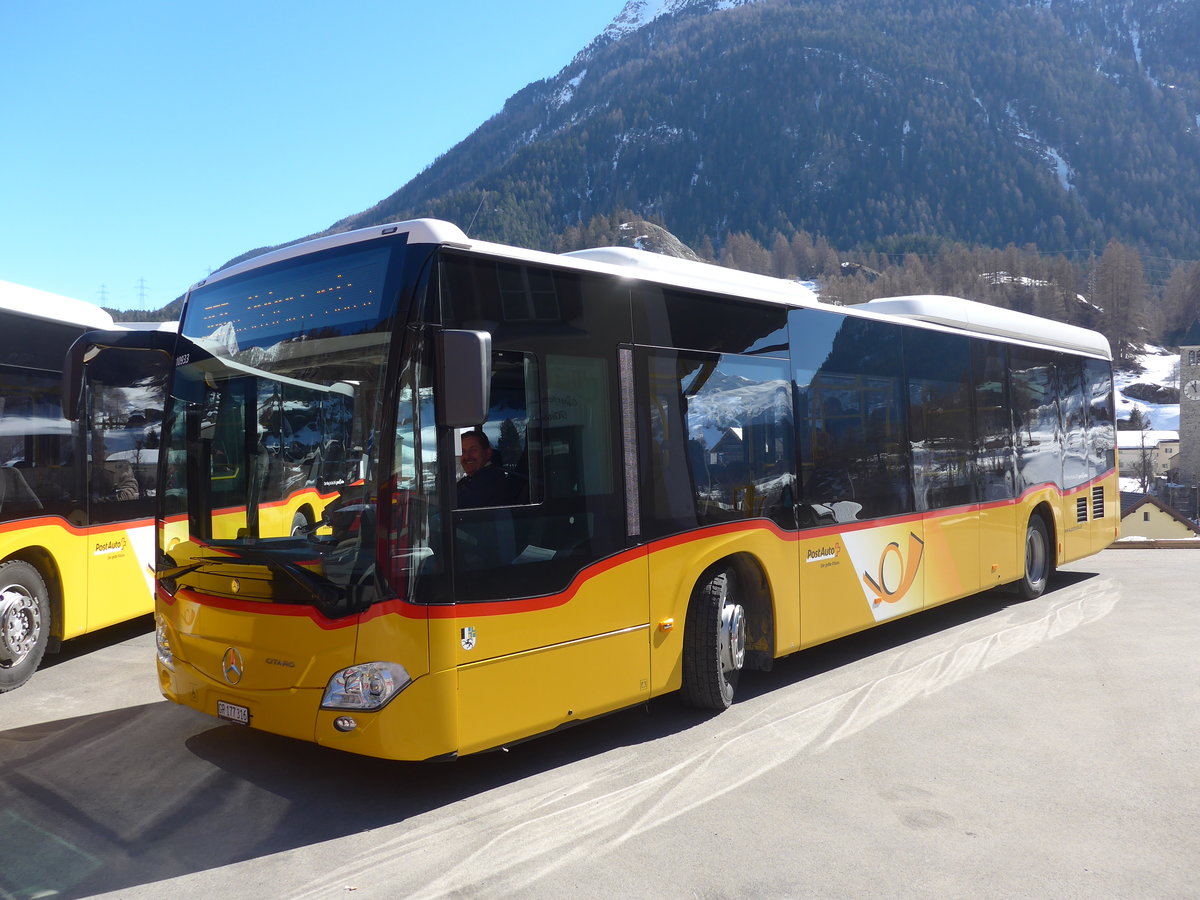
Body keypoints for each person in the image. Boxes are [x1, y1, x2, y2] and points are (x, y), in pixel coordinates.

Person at [456, 430, 511, 508]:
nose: (467, 456)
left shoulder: (490, 478)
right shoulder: (473, 478)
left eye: (473, 450)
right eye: (463, 451)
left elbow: (453, 502)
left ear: (488, 453)